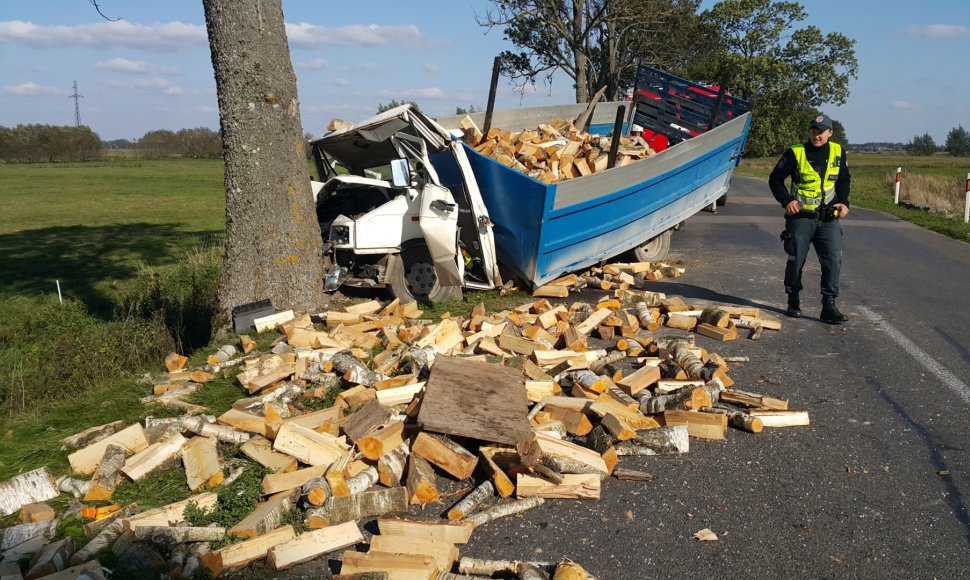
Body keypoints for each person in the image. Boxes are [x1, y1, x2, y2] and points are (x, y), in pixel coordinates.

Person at [768, 113, 850, 324]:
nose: (817, 136)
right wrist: (787, 200)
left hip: (828, 219)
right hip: (801, 218)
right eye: (813, 132)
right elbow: (775, 179)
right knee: (796, 261)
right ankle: (793, 300)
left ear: (830, 133)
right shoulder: (796, 152)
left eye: (821, 132)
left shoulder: (838, 151)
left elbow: (843, 179)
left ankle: (829, 305)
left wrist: (844, 202)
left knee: (833, 259)